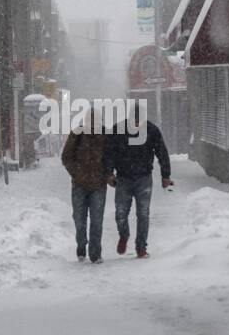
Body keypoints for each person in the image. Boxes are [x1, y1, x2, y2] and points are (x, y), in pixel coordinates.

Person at [105, 116, 172, 259]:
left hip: (144, 178)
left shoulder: (151, 130)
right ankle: (124, 235)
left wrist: (165, 175)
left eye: (138, 120)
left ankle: (141, 247)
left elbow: (162, 152)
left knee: (143, 213)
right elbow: (109, 153)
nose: (136, 123)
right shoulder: (118, 130)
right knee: (120, 214)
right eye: (133, 120)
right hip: (123, 178)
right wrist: (109, 173)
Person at [61, 110, 112, 263]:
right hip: (79, 185)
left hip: (99, 185)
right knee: (79, 219)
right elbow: (66, 157)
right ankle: (81, 246)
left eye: (95, 120)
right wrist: (76, 174)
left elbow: (110, 157)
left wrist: (107, 174)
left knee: (97, 220)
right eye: (90, 120)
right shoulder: (76, 134)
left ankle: (95, 254)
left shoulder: (105, 136)